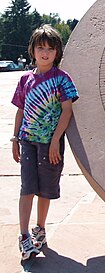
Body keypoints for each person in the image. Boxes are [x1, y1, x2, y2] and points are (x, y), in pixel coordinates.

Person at [11, 25, 79, 261]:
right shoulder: (25, 79)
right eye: (41, 47)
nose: (45, 53)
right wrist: (14, 139)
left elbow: (67, 111)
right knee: (27, 188)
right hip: (28, 141)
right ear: (33, 50)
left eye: (50, 48)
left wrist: (55, 141)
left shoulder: (62, 79)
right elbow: (20, 110)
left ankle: (39, 229)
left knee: (45, 190)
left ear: (57, 52)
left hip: (50, 144)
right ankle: (23, 236)